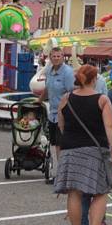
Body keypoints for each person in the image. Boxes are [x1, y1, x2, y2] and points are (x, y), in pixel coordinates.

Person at [54, 64, 112, 225]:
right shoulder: (102, 100)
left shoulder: (66, 98)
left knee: (74, 192)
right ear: (95, 79)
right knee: (100, 191)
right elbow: (110, 127)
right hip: (94, 150)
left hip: (69, 149)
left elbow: (61, 124)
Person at [40, 47, 75, 183]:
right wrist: (38, 101)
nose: (56, 58)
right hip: (52, 114)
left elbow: (71, 92)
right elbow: (47, 89)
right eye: (53, 56)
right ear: (50, 57)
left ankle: (63, 176)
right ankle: (62, 174)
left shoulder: (67, 73)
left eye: (58, 56)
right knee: (56, 145)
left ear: (63, 57)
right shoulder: (49, 70)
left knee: (63, 145)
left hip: (65, 114)